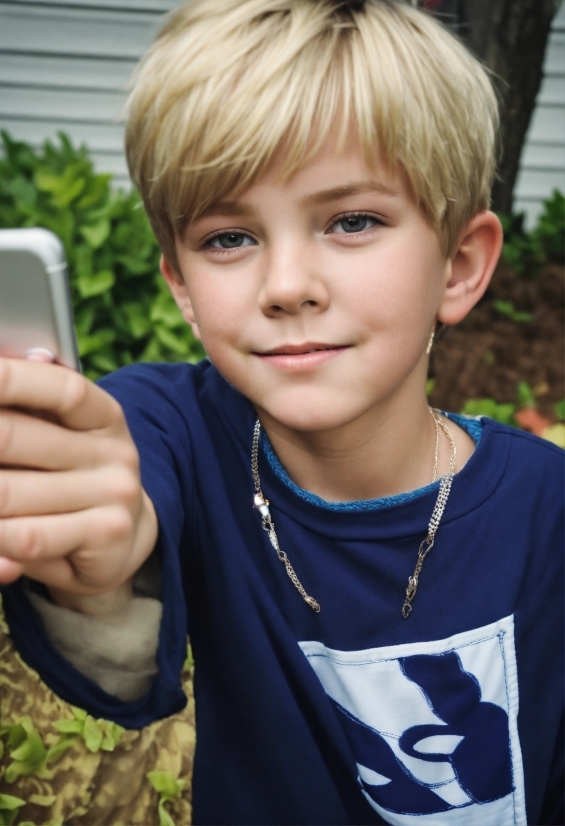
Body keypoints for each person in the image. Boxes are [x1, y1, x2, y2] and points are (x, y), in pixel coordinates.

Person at [0, 0, 562, 823]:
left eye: (352, 220)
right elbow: (121, 668)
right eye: (229, 237)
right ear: (183, 289)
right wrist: (98, 572)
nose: (286, 285)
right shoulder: (171, 429)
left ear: (459, 265)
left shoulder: (548, 506)